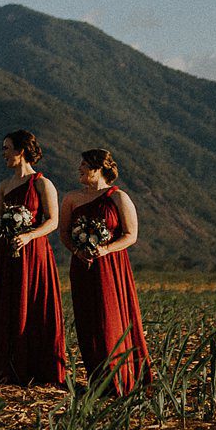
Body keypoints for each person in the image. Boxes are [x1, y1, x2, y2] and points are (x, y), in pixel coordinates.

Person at [0, 129, 69, 387]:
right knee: (6, 304)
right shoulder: (5, 185)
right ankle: (4, 367)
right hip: (6, 253)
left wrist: (30, 236)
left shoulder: (42, 183)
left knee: (31, 304)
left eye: (7, 148)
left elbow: (53, 221)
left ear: (21, 151)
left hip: (33, 253)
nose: (4, 154)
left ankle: (35, 367)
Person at [63, 148, 151, 395]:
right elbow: (63, 234)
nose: (79, 168)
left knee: (109, 320)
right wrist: (77, 250)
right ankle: (96, 378)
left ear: (99, 168)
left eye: (84, 165)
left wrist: (104, 249)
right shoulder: (71, 198)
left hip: (111, 266)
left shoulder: (119, 197)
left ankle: (120, 379)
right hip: (81, 266)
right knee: (87, 321)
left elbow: (130, 236)